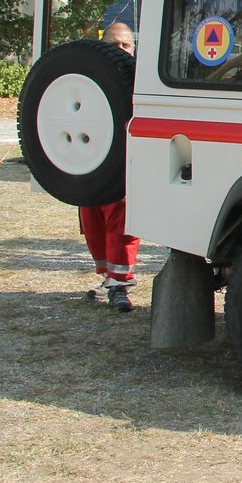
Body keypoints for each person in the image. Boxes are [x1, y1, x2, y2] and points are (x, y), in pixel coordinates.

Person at [81, 21, 140, 312]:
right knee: (92, 224)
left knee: (121, 224)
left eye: (125, 45)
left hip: (127, 165)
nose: (120, 50)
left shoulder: (145, 79)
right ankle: (108, 276)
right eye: (114, 44)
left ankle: (120, 284)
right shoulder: (87, 74)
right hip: (93, 162)